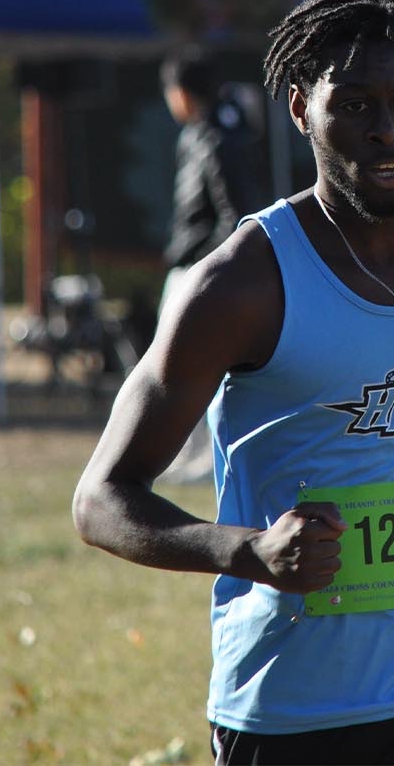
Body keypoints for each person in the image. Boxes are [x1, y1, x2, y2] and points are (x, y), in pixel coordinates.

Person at [73, 0, 394, 766]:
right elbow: (102, 499)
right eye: (356, 105)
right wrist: (247, 552)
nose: (387, 131)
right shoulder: (239, 286)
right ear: (303, 106)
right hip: (289, 708)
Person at [156, 45, 264, 484]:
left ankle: (208, 459)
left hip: (200, 274)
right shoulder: (201, 133)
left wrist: (208, 269)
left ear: (181, 92)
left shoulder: (218, 139)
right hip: (188, 268)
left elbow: (235, 216)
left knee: (196, 369)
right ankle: (184, 455)